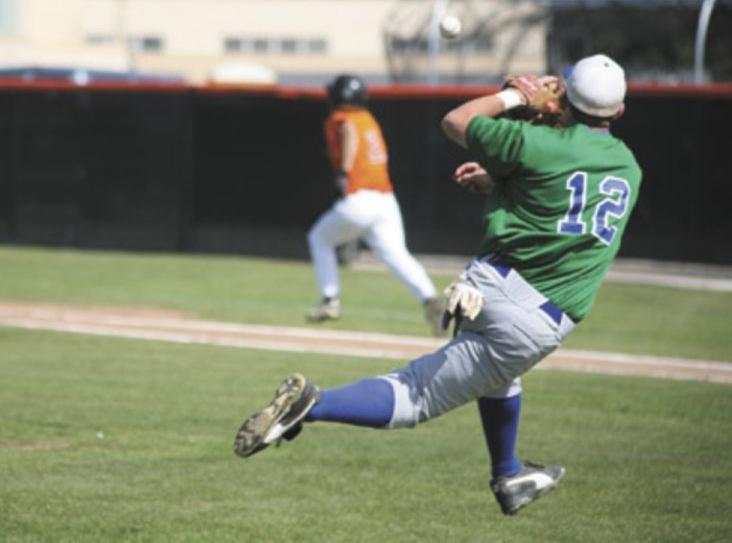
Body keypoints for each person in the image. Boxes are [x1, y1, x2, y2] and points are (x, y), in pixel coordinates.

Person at [234, 55, 642, 516]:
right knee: (415, 394)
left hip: (496, 290)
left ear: (563, 95)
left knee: (500, 377)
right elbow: (572, 204)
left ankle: (508, 474)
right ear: (620, 111)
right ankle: (313, 404)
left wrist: (515, 99)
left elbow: (458, 121)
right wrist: (508, 176)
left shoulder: (537, 144)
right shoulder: (629, 169)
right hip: (529, 313)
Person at [306, 74, 444, 335]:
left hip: (360, 199)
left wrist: (345, 170)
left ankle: (329, 299)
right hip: (385, 200)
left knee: (318, 238)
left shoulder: (341, 118)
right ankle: (429, 298)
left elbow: (347, 131)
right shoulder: (368, 119)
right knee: (396, 255)